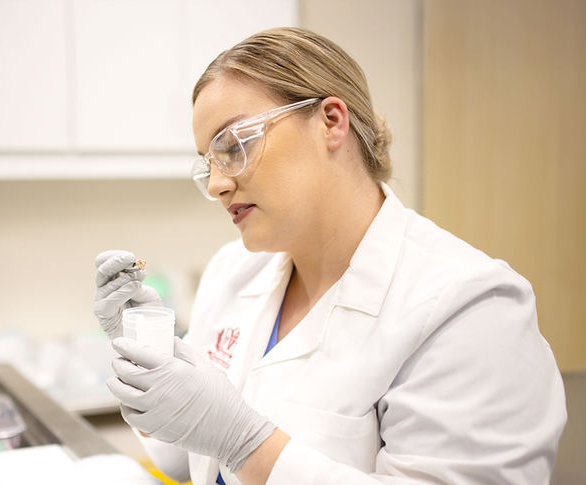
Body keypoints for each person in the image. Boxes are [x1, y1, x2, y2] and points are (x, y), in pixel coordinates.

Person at [93, 27, 566, 485]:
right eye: (207, 162)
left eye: (233, 146)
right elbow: (183, 460)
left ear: (331, 122)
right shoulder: (232, 270)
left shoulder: (470, 308)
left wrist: (245, 442)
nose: (217, 184)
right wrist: (150, 359)